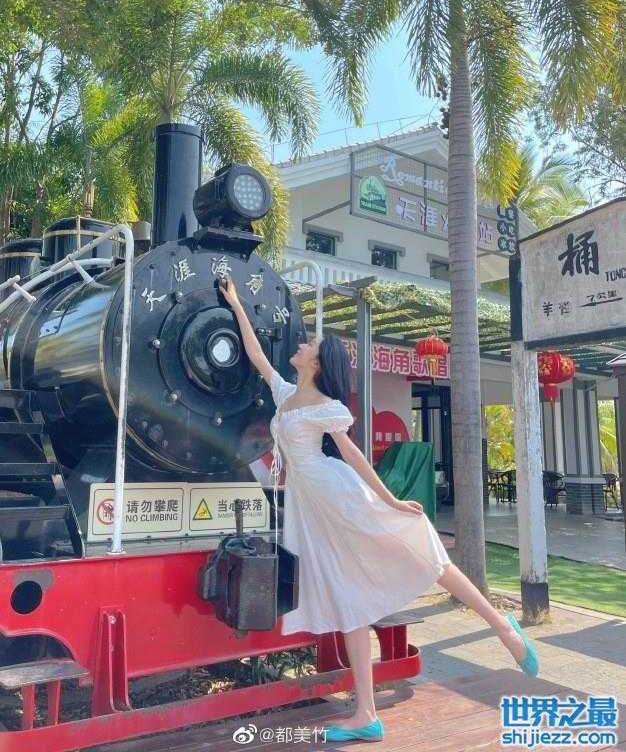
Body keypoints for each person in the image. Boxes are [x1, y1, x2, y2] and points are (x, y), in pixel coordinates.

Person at [219, 275, 539, 744]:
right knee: (348, 596)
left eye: (310, 344)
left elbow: (352, 455)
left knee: (420, 552)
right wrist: (235, 303)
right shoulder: (286, 393)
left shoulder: (326, 406)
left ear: (316, 362)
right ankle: (366, 713)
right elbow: (255, 354)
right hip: (312, 509)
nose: (302, 344)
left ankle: (502, 626)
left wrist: (389, 500)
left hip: (337, 496)